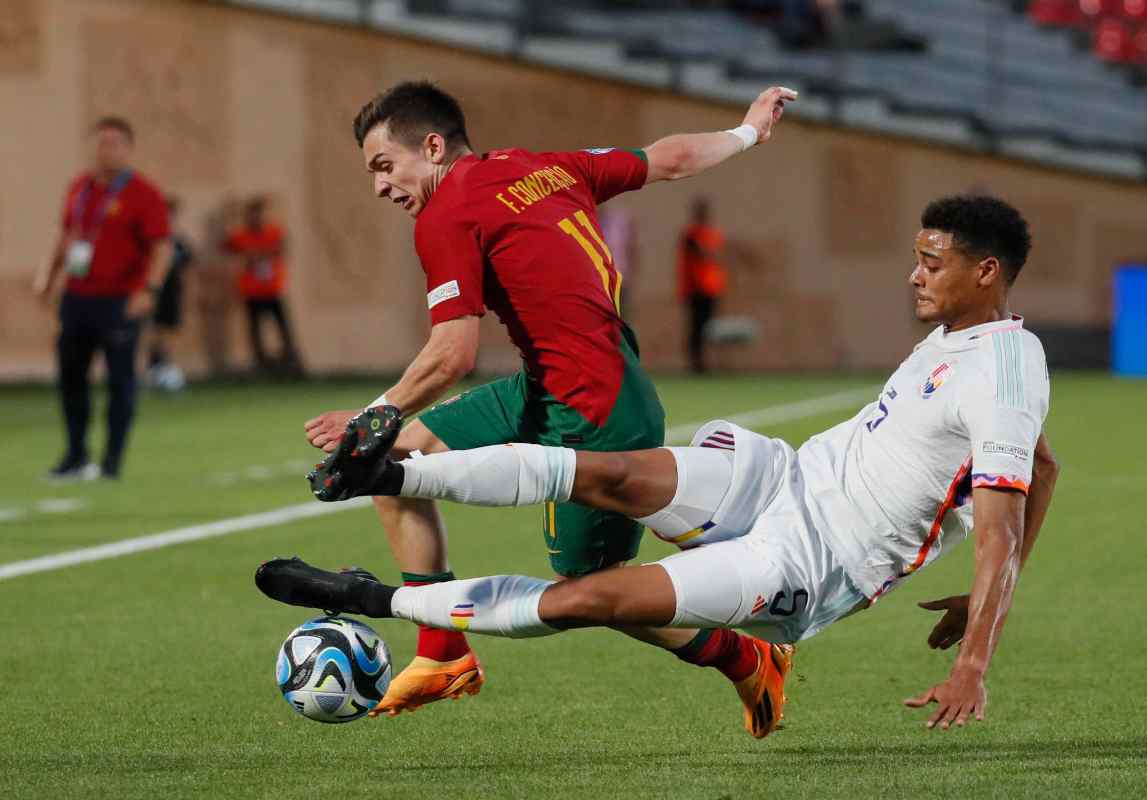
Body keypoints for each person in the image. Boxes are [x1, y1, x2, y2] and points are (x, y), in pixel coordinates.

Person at [260, 195, 1059, 734]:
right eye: (917, 257)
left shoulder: (1005, 370)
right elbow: (1045, 466)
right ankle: (391, 476)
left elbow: (1000, 522)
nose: (915, 274)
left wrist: (974, 659)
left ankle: (371, 597)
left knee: (591, 597)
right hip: (787, 477)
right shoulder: (960, 337)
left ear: (986, 272)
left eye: (932, 262)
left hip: (813, 562)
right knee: (607, 470)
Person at [299, 81, 799, 733]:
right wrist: (747, 132)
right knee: (392, 462)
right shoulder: (544, 166)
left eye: (384, 165)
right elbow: (668, 158)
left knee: (590, 590)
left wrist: (371, 415)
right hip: (552, 384)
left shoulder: (447, 215)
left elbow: (452, 354)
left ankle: (746, 657)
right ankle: (443, 652)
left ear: (432, 147)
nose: (378, 186)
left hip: (594, 410)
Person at [33, 116, 172, 480]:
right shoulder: (79, 188)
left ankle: (111, 462)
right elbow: (67, 236)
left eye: (114, 143)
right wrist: (48, 276)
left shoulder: (143, 193)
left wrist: (149, 290)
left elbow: (161, 248)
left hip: (119, 300)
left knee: (119, 382)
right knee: (71, 377)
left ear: (128, 149)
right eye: (100, 142)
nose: (105, 150)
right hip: (77, 297)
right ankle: (76, 456)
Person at [224, 196, 302, 375]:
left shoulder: (274, 232)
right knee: (255, 331)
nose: (257, 218)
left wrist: (257, 254)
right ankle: (261, 364)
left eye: (259, 214)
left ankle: (290, 362)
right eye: (253, 214)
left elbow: (282, 248)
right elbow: (227, 246)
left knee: (283, 328)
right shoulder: (242, 236)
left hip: (273, 289)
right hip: (252, 291)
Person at [146, 196, 193, 392]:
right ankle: (154, 367)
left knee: (170, 329)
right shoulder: (152, 241)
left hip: (173, 291)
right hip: (154, 291)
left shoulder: (178, 242)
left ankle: (165, 366)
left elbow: (188, 261)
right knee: (153, 329)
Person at [678, 197, 727, 373]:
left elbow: (720, 256)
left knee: (709, 327)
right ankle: (696, 363)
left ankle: (708, 361)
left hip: (711, 288)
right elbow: (702, 253)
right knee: (697, 326)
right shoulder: (691, 235)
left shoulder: (713, 234)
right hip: (696, 288)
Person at [598, 204, 640, 324]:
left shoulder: (620, 221)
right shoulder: (589, 222)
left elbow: (632, 248)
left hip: (620, 276)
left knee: (622, 315)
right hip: (600, 280)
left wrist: (632, 271)